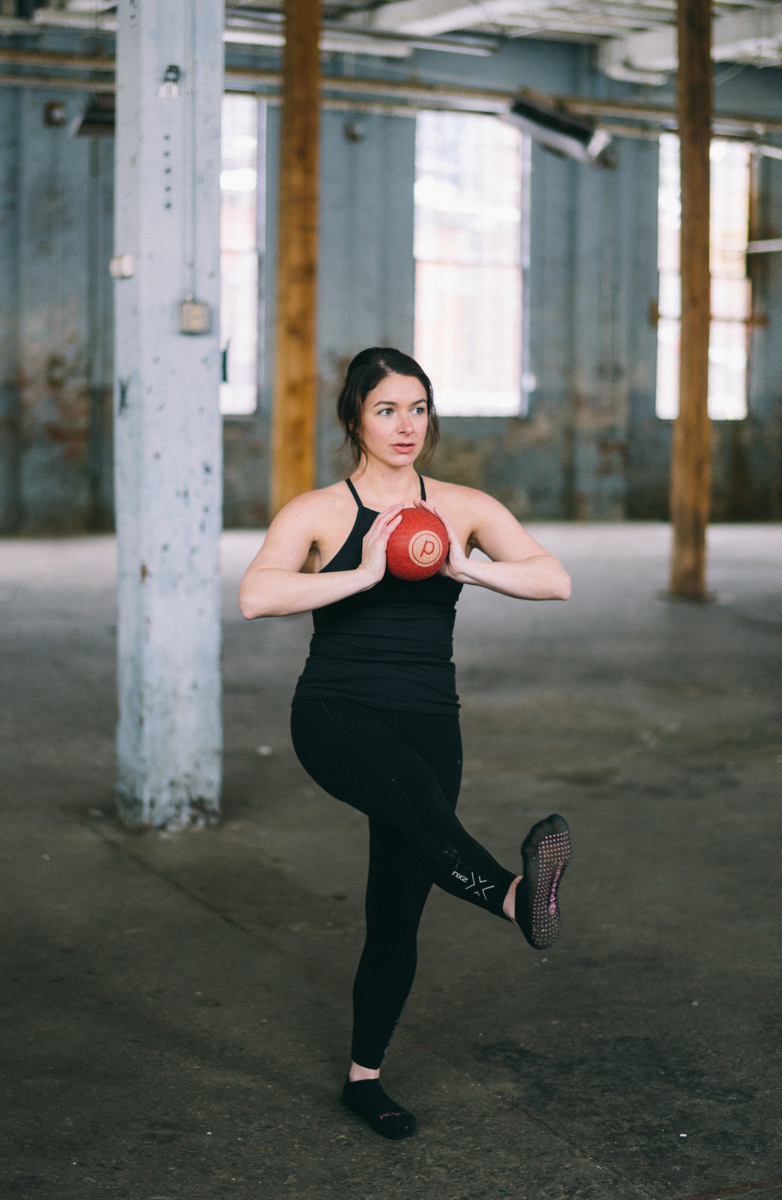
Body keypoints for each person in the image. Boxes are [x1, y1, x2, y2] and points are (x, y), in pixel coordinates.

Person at [239, 347, 572, 1140]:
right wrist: (357, 572)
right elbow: (257, 595)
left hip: (430, 716)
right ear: (354, 415)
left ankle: (365, 1079)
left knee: (397, 908)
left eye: (418, 408)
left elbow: (554, 578)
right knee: (421, 807)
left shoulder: (460, 506)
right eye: (386, 409)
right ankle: (516, 900)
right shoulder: (318, 512)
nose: (405, 425)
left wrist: (471, 568)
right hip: (337, 712)